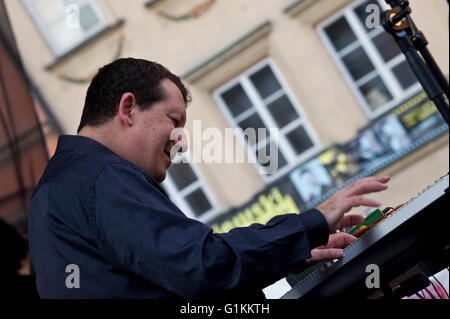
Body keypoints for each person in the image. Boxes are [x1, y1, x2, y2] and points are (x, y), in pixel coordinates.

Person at [28, 58, 390, 299]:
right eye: (174, 120)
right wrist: (311, 222)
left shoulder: (63, 186)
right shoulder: (99, 176)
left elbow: (181, 274)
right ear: (128, 108)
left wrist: (289, 253)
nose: (180, 140)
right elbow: (202, 267)